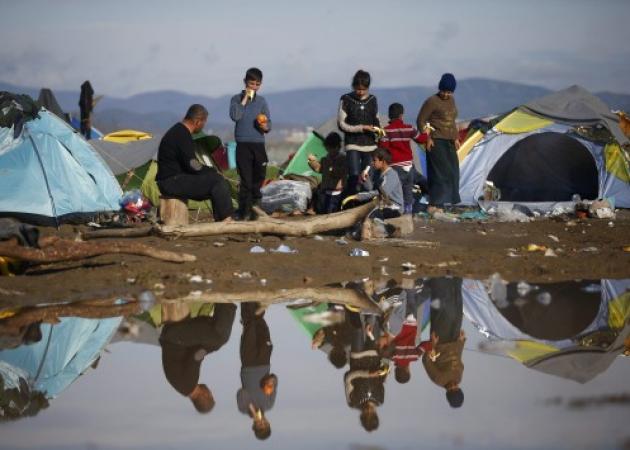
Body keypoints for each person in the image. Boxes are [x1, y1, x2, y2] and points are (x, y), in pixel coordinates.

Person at [156, 104, 234, 222]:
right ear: (198, 121)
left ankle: (222, 219)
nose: (203, 126)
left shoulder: (178, 131)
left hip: (172, 179)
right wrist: (212, 171)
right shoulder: (182, 134)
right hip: (171, 181)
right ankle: (226, 219)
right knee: (216, 181)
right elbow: (192, 164)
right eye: (204, 123)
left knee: (214, 180)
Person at [159, 303, 237, 413]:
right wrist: (211, 348)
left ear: (205, 396)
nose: (210, 390)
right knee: (215, 341)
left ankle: (226, 302)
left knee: (220, 338)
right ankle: (224, 305)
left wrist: (208, 349)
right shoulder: (183, 388)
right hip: (174, 338)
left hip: (175, 337)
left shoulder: (189, 384)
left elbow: (195, 356)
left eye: (210, 393)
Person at [229, 67, 272, 221]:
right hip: (243, 144)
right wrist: (245, 99)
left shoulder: (262, 101)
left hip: (258, 143)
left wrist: (265, 127)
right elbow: (235, 116)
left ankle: (255, 211)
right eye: (251, 83)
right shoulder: (235, 99)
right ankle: (243, 212)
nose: (254, 87)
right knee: (245, 180)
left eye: (257, 84)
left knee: (259, 177)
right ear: (245, 82)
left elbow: (269, 122)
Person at [416, 73, 461, 213]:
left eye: (449, 92)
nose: (446, 94)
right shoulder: (432, 101)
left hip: (449, 141)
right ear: (440, 88)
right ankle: (434, 203)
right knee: (439, 173)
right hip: (436, 141)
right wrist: (427, 138)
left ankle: (444, 202)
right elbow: (421, 121)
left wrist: (456, 138)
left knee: (453, 172)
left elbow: (452, 121)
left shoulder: (451, 101)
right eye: (444, 91)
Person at [421, 277, 465, 408]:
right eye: (456, 389)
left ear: (448, 392)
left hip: (441, 339)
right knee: (457, 309)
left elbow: (426, 361)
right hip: (455, 338)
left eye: (452, 390)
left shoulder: (438, 379)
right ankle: (456, 279)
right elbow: (458, 357)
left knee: (446, 310)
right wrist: (461, 342)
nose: (454, 386)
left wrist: (432, 344)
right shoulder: (458, 377)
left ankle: (437, 280)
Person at [237, 302, 277, 440]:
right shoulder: (269, 404)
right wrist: (271, 381)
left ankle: (246, 296)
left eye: (259, 425)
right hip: (264, 361)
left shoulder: (243, 409)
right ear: (268, 423)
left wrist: (252, 410)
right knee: (261, 325)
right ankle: (257, 296)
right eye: (265, 424)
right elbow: (274, 379)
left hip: (248, 362)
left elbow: (242, 392)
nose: (262, 422)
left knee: (249, 325)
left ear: (254, 426)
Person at [338, 70, 381, 197]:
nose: (361, 92)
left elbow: (376, 119)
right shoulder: (346, 99)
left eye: (364, 89)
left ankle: (367, 203)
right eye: (358, 89)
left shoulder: (373, 100)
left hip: (371, 145)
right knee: (354, 176)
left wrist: (378, 130)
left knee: (368, 177)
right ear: (353, 86)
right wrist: (362, 128)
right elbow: (341, 124)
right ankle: (351, 204)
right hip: (353, 145)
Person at [379, 103, 423, 214]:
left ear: (389, 115)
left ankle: (398, 211)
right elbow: (421, 139)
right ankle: (408, 212)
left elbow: (383, 148)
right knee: (408, 190)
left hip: (396, 166)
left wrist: (378, 139)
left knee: (396, 191)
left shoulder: (386, 131)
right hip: (409, 166)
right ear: (401, 115)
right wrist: (427, 133)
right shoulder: (409, 128)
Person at [354, 148, 404, 220]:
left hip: (395, 207)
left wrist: (360, 196)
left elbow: (380, 192)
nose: (372, 163)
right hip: (383, 205)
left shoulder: (391, 174)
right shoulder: (378, 173)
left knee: (373, 216)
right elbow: (371, 189)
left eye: (374, 160)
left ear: (383, 161)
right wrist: (366, 179)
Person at [307, 132, 347, 214]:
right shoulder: (326, 159)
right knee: (324, 212)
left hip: (337, 193)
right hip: (326, 191)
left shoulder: (342, 159)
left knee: (334, 213)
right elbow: (320, 170)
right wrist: (313, 164)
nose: (329, 151)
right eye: (327, 149)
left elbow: (339, 173)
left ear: (337, 147)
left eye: (331, 148)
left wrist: (330, 168)